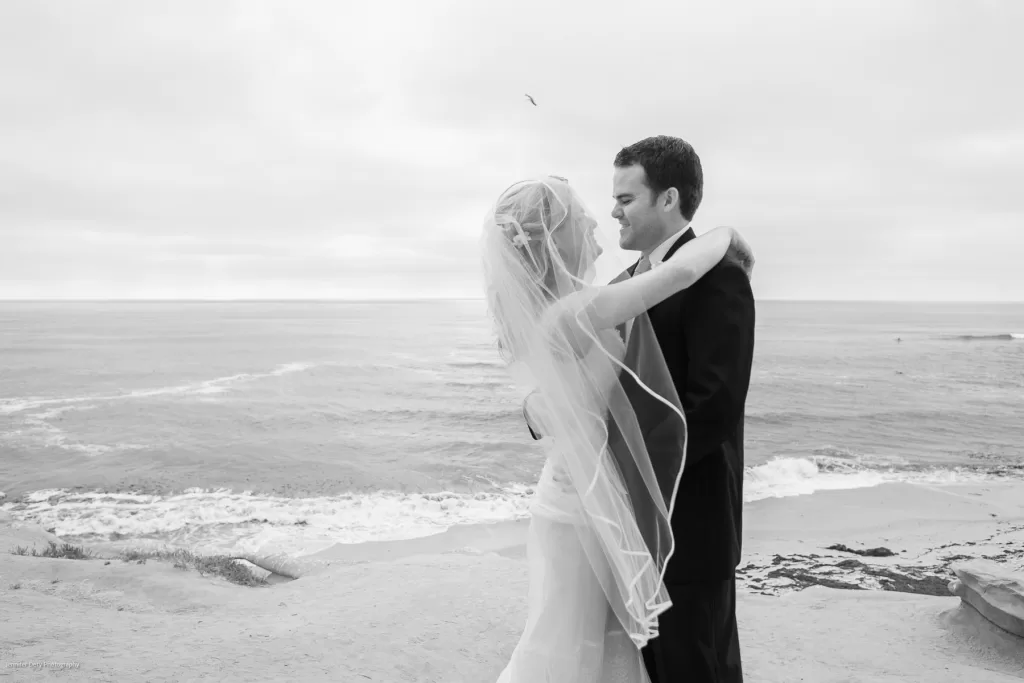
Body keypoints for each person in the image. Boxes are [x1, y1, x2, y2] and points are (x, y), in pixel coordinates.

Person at [481, 172, 753, 682]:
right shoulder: (583, 306)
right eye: (581, 216)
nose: (597, 220)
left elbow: (711, 403)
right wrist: (725, 236)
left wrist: (546, 410)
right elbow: (676, 275)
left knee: (584, 643)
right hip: (584, 505)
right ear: (554, 237)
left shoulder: (564, 307)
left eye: (622, 199)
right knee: (570, 644)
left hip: (584, 497)